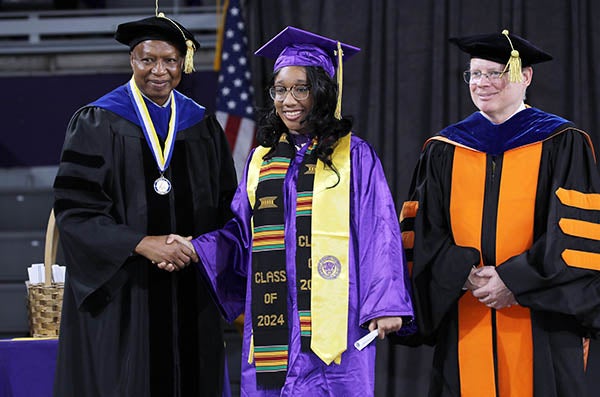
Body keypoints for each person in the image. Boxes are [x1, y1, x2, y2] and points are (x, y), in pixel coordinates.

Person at [168, 26, 415, 396]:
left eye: (301, 88)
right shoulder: (261, 160)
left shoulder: (353, 155)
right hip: (274, 322)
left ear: (322, 92)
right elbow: (240, 232)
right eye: (280, 89)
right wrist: (196, 248)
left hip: (337, 325)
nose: (289, 100)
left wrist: (385, 304)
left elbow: (379, 229)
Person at [398, 29, 600, 396]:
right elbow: (424, 232)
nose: (482, 82)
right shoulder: (444, 149)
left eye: (495, 73)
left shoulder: (563, 142)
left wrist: (514, 280)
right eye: (475, 74)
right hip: (465, 310)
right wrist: (463, 275)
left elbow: (574, 236)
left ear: (525, 76)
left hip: (542, 321)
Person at [52, 12, 237, 397]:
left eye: (170, 60)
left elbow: (226, 206)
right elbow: (76, 211)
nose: (159, 71)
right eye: (147, 59)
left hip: (191, 281)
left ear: (182, 64)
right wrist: (142, 243)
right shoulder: (98, 121)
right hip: (125, 292)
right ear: (131, 61)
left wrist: (193, 248)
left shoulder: (201, 125)